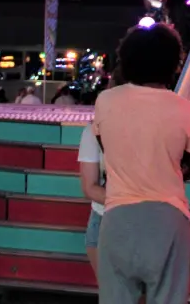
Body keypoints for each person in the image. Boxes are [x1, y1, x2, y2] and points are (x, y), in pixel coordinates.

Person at [91, 23, 190, 304]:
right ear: (173, 62)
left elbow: (107, 148)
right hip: (169, 222)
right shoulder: (187, 110)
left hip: (117, 219)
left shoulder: (105, 102)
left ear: (127, 59)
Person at [79, 112, 109, 269]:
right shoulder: (94, 130)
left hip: (147, 220)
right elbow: (89, 188)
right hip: (104, 217)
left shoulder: (152, 128)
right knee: (111, 291)